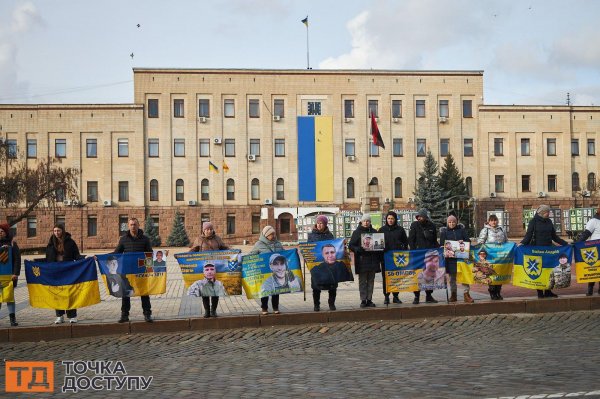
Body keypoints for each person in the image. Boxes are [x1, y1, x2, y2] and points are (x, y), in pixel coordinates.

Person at [520, 205, 568, 298]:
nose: (549, 213)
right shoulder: (533, 222)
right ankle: (540, 292)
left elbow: (554, 236)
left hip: (549, 250)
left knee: (549, 271)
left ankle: (548, 291)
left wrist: (565, 243)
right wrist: (522, 243)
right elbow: (528, 235)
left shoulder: (549, 221)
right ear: (542, 212)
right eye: (547, 212)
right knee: (539, 271)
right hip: (537, 250)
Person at [114, 217, 154, 322]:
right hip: (127, 271)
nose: (133, 226)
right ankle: (124, 315)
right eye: (131, 224)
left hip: (141, 270)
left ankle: (147, 314)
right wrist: (101, 257)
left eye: (135, 224)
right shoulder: (123, 239)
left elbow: (150, 254)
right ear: (128, 226)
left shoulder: (145, 239)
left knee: (144, 293)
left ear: (138, 225)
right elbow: (117, 253)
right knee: (126, 293)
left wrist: (162, 255)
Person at [46, 223, 82, 324]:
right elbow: (48, 257)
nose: (56, 233)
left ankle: (72, 316)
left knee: (70, 293)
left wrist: (85, 259)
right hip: (56, 272)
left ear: (63, 231)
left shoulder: (70, 242)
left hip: (68, 271)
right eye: (55, 231)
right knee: (57, 294)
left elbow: (76, 255)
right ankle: (59, 315)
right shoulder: (51, 243)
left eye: (58, 231)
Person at [249, 225, 285, 314]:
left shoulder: (278, 243)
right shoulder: (259, 244)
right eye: (270, 234)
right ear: (265, 235)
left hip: (276, 272)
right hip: (264, 271)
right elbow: (252, 255)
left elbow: (284, 254)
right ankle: (264, 308)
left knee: (276, 290)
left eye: (273, 234)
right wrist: (243, 258)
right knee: (265, 290)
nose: (272, 236)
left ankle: (275, 307)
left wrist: (292, 252)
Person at [349, 214, 381, 308]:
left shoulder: (374, 232)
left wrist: (380, 247)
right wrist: (358, 249)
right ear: (361, 222)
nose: (366, 223)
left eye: (368, 221)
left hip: (372, 260)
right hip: (362, 260)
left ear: (370, 222)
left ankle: (369, 299)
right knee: (362, 281)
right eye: (364, 221)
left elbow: (379, 244)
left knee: (371, 280)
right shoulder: (357, 232)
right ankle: (363, 299)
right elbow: (351, 245)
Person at [408, 209, 439, 304]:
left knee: (429, 275)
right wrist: (414, 251)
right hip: (418, 255)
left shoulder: (432, 226)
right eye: (418, 217)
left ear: (425, 217)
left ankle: (429, 295)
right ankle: (416, 296)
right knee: (418, 275)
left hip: (429, 255)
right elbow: (411, 240)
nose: (419, 218)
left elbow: (434, 240)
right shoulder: (414, 225)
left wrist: (439, 248)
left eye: (421, 216)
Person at [440, 215, 472, 303]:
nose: (451, 223)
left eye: (453, 222)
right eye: (449, 222)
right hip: (451, 259)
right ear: (447, 223)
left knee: (464, 276)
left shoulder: (461, 230)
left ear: (456, 222)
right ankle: (453, 294)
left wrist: (463, 241)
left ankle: (466, 294)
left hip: (462, 259)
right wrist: (444, 248)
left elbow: (468, 241)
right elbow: (442, 245)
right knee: (452, 278)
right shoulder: (444, 232)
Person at [310, 244, 352, 311]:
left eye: (332, 252)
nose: (330, 255)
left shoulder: (341, 266)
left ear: (336, 252)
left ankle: (331, 304)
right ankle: (316, 305)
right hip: (319, 278)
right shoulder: (316, 269)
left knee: (333, 288)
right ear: (322, 255)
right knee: (316, 289)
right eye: (326, 253)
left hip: (333, 278)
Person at [378, 211, 408, 305]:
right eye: (389, 219)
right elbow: (378, 244)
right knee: (386, 277)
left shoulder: (400, 230)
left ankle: (396, 296)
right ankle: (386, 296)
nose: (390, 220)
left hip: (397, 258)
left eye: (392, 219)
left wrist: (402, 248)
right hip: (385, 258)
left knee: (396, 277)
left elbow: (405, 242)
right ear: (386, 219)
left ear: (395, 219)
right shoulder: (382, 230)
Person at [477, 213, 508, 300]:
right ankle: (492, 292)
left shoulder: (502, 229)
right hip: (490, 256)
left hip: (501, 256)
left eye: (495, 220)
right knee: (491, 274)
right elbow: (480, 242)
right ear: (489, 222)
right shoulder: (485, 230)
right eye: (491, 220)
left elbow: (506, 241)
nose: (493, 222)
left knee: (499, 273)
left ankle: (498, 292)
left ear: (497, 221)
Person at [576, 208, 600, 296]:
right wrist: (578, 243)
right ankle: (590, 289)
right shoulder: (593, 221)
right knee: (593, 268)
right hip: (596, 249)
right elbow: (586, 234)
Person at [0, 223, 20, 327]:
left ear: (6, 232)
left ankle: (12, 319)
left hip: (9, 276)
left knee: (9, 298)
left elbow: (17, 259)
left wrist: (15, 273)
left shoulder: (12, 243)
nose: (0, 233)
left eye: (2, 231)